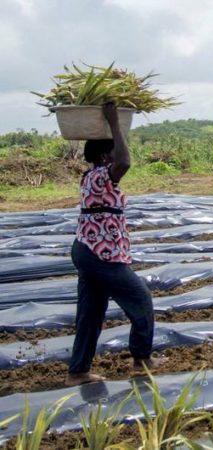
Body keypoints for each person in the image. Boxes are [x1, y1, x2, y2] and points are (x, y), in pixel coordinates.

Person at [66, 103, 165, 387]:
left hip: (89, 250)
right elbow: (125, 162)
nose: (116, 154)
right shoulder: (100, 175)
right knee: (141, 299)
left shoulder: (94, 178)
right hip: (100, 254)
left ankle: (78, 371)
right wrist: (114, 122)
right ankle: (142, 358)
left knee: (90, 313)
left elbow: (120, 162)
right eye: (112, 150)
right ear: (103, 155)